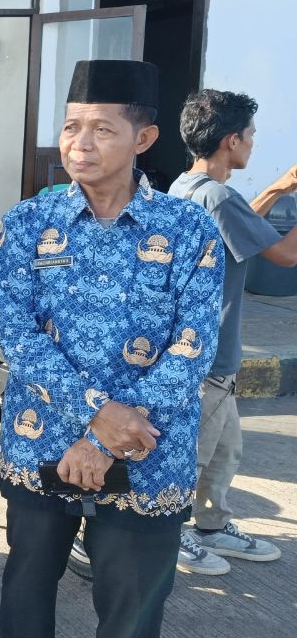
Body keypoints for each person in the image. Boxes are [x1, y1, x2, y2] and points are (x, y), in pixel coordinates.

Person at [0, 60, 224, 638]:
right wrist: (95, 419)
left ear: (143, 139)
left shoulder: (188, 228)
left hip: (147, 454)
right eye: (71, 127)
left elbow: (193, 346)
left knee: (133, 612)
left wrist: (102, 439)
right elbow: (17, 333)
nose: (80, 143)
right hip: (41, 439)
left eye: (102, 129)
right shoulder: (28, 223)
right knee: (25, 600)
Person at [168, 89, 294, 574]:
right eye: (251, 136)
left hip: (201, 352)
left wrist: (281, 189)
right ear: (231, 140)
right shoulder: (218, 196)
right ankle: (172, 534)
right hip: (210, 355)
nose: (254, 144)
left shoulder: (187, 187)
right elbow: (283, 255)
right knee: (194, 455)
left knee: (225, 449)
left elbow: (244, 221)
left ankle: (213, 526)